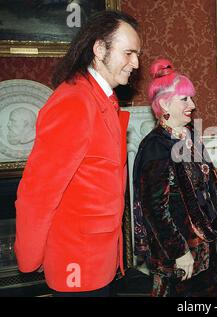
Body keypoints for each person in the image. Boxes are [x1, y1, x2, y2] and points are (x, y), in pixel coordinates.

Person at [14, 10, 141, 296]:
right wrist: (31, 257)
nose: (136, 62)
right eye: (129, 53)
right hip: (78, 263)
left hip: (99, 259)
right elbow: (39, 192)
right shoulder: (74, 100)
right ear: (99, 49)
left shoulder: (102, 98)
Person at [132, 59, 217, 297]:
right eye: (185, 99)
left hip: (204, 247)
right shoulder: (156, 146)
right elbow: (154, 209)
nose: (192, 104)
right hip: (180, 253)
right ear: (164, 102)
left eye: (191, 98)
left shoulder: (190, 135)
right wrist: (180, 252)